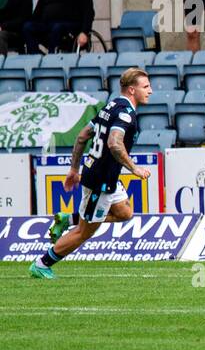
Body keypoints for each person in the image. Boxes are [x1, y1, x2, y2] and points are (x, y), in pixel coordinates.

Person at [31, 68, 152, 279]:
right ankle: (42, 264)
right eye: (146, 87)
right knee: (84, 232)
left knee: (124, 212)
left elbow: (83, 136)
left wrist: (73, 170)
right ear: (132, 90)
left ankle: (68, 219)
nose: (150, 91)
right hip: (101, 180)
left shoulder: (111, 105)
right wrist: (135, 168)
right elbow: (115, 143)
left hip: (103, 174)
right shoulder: (125, 113)